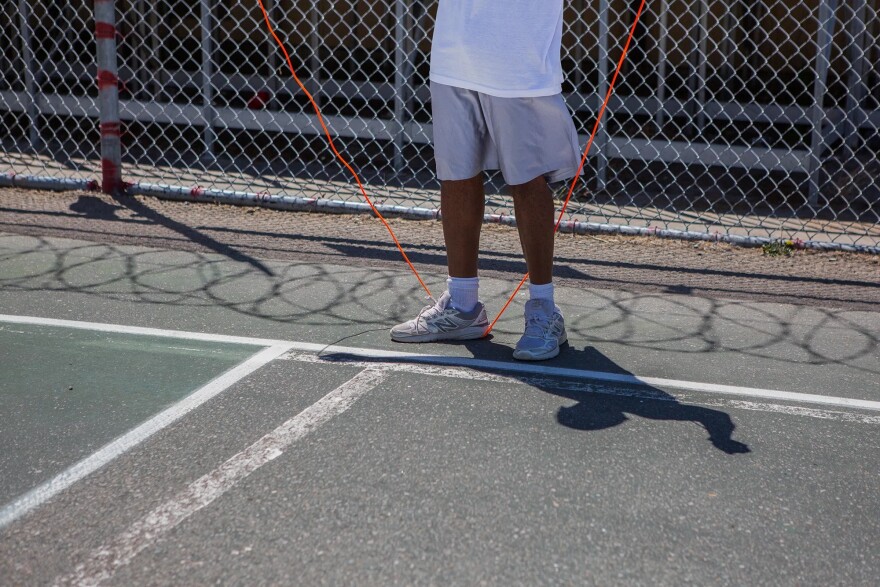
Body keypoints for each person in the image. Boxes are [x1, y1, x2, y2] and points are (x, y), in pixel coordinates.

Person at [390, 0, 582, 361]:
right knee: (457, 176)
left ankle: (544, 309)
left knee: (527, 181)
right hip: (455, 55)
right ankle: (462, 306)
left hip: (519, 60)